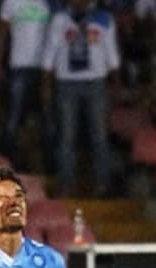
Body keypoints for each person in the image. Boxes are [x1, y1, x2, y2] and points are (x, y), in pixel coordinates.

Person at [42, 0, 121, 197]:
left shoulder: (103, 19)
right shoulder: (60, 20)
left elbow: (111, 53)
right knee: (67, 136)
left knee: (99, 135)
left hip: (96, 81)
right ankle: (67, 183)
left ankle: (103, 183)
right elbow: (50, 53)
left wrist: (115, 84)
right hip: (66, 83)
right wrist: (45, 86)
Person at [0, 0, 54, 169]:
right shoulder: (11, 2)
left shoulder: (46, 3)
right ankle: (8, 163)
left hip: (43, 68)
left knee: (46, 119)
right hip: (19, 66)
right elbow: (1, 33)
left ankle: (47, 167)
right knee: (13, 118)